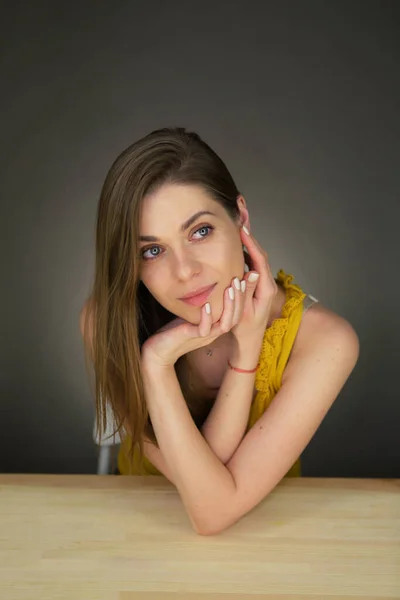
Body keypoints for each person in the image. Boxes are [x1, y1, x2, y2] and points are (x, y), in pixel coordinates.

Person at [80, 127, 359, 535]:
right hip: (132, 531)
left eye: (200, 231)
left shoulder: (324, 342)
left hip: (272, 537)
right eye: (152, 251)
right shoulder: (106, 322)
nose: (185, 270)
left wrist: (248, 353)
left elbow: (214, 510)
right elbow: (204, 494)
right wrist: (156, 361)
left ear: (240, 217)